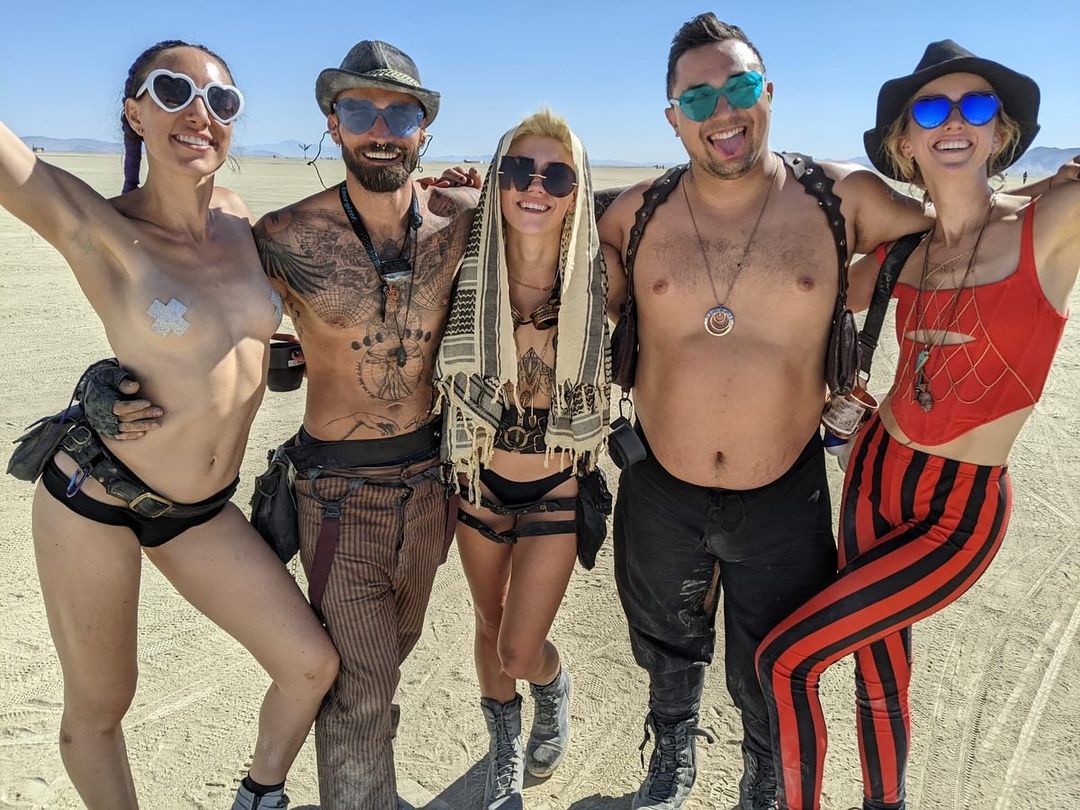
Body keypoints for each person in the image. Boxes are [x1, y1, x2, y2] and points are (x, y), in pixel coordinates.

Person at [79, 40, 478, 808]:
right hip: (340, 493)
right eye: (359, 110)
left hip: (432, 484)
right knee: (358, 688)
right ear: (333, 124)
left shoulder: (461, 219)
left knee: (384, 662)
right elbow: (195, 302)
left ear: (424, 129)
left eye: (400, 115)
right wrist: (104, 376)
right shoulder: (283, 236)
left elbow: (550, 238)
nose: (381, 129)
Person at [596, 14, 943, 810]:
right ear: (673, 117)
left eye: (741, 86)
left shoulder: (840, 199)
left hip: (785, 489)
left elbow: (960, 231)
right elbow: (559, 243)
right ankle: (671, 754)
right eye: (699, 97)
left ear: (770, 92)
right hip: (660, 484)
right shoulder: (636, 213)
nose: (723, 111)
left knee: (771, 656)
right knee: (665, 639)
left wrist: (1048, 199)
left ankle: (764, 775)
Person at [0, 40, 339, 810]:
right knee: (101, 705)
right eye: (173, 92)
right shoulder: (99, 227)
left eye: (221, 101)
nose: (199, 113)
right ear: (135, 113)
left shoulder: (241, 220)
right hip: (97, 498)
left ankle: (259, 796)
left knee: (309, 665)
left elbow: (234, 335)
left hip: (200, 512)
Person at [755, 40, 1080, 810]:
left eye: (977, 106)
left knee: (787, 662)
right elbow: (802, 288)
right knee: (879, 675)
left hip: (958, 513)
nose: (954, 121)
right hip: (874, 477)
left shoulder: (1051, 225)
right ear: (904, 142)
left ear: (1001, 132)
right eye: (932, 109)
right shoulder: (903, 257)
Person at [434, 110, 610, 808]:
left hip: (556, 489)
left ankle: (551, 683)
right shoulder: (459, 264)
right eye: (519, 170)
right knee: (488, 621)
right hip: (478, 482)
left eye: (557, 176)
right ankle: (504, 751)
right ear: (497, 180)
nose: (536, 186)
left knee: (519, 649)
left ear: (577, 191)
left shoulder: (602, 273)